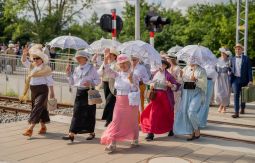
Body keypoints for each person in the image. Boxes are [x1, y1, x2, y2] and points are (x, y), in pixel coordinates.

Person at [101, 54, 140, 152]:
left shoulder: (133, 75)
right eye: (120, 64)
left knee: (132, 121)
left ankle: (135, 139)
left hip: (130, 101)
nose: (122, 65)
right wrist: (105, 59)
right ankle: (112, 143)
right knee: (116, 121)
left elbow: (135, 89)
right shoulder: (117, 74)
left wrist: (131, 81)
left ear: (128, 63)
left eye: (124, 63)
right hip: (119, 101)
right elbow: (107, 71)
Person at [63, 50, 100, 142]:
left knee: (90, 113)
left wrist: (91, 83)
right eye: (77, 58)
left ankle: (91, 132)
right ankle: (71, 133)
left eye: (80, 57)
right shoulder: (76, 69)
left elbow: (98, 80)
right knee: (76, 112)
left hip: (90, 91)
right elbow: (73, 82)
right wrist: (68, 73)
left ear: (85, 58)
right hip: (79, 92)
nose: (78, 59)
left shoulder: (92, 68)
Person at [21, 44, 55, 137]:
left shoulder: (46, 68)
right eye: (34, 58)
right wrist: (24, 54)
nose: (35, 60)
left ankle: (30, 128)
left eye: (37, 58)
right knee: (41, 108)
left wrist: (52, 92)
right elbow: (24, 61)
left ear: (42, 59)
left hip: (43, 90)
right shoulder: (32, 66)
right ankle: (43, 126)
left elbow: (50, 81)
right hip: (33, 89)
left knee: (37, 107)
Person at [141, 60, 179, 141]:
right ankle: (150, 133)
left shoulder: (169, 75)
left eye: (161, 64)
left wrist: (171, 85)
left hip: (165, 96)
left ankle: (170, 129)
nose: (159, 66)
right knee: (153, 113)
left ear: (165, 66)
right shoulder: (155, 74)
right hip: (156, 96)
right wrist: (151, 85)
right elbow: (150, 82)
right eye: (158, 64)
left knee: (167, 113)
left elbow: (176, 86)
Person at [174, 57, 207, 141]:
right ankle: (191, 131)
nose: (190, 61)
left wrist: (196, 80)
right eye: (189, 59)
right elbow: (181, 82)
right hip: (186, 92)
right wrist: (180, 76)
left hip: (197, 93)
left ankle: (196, 129)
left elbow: (204, 84)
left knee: (191, 111)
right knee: (185, 112)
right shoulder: (185, 68)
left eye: (193, 59)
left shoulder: (201, 70)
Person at [229, 43, 253, 118]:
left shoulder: (246, 58)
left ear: (242, 50)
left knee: (243, 95)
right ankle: (236, 112)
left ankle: (242, 108)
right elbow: (230, 69)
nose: (237, 50)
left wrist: (250, 80)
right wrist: (229, 71)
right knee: (236, 95)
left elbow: (249, 70)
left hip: (244, 80)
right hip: (235, 79)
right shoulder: (232, 59)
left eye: (239, 48)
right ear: (235, 50)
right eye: (236, 48)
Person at [97, 48, 119, 127]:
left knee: (109, 101)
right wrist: (103, 68)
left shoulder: (116, 64)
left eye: (111, 55)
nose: (109, 56)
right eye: (108, 55)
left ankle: (108, 119)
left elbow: (115, 74)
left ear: (114, 56)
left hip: (113, 84)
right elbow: (99, 73)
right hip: (105, 83)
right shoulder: (105, 63)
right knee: (109, 102)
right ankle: (110, 119)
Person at [130, 54, 150, 122]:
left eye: (134, 60)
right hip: (130, 87)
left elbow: (147, 78)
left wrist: (142, 81)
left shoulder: (141, 68)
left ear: (138, 60)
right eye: (132, 60)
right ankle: (132, 120)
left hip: (140, 87)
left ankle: (140, 120)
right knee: (131, 104)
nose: (133, 61)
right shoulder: (129, 67)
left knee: (139, 104)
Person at [214, 47, 231, 113]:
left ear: (226, 54)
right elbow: (215, 68)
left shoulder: (229, 61)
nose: (222, 54)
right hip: (218, 78)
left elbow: (231, 69)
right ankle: (221, 105)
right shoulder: (217, 60)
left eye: (224, 53)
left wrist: (229, 72)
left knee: (225, 93)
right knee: (218, 92)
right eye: (221, 53)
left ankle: (224, 106)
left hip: (226, 78)